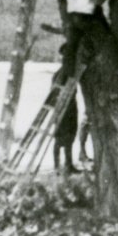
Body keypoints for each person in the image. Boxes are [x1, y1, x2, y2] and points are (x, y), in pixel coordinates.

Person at [52, 43, 80, 173]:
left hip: (70, 107)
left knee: (70, 136)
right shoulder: (61, 73)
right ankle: (57, 166)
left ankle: (68, 164)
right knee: (60, 137)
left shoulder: (68, 71)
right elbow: (55, 92)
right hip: (63, 107)